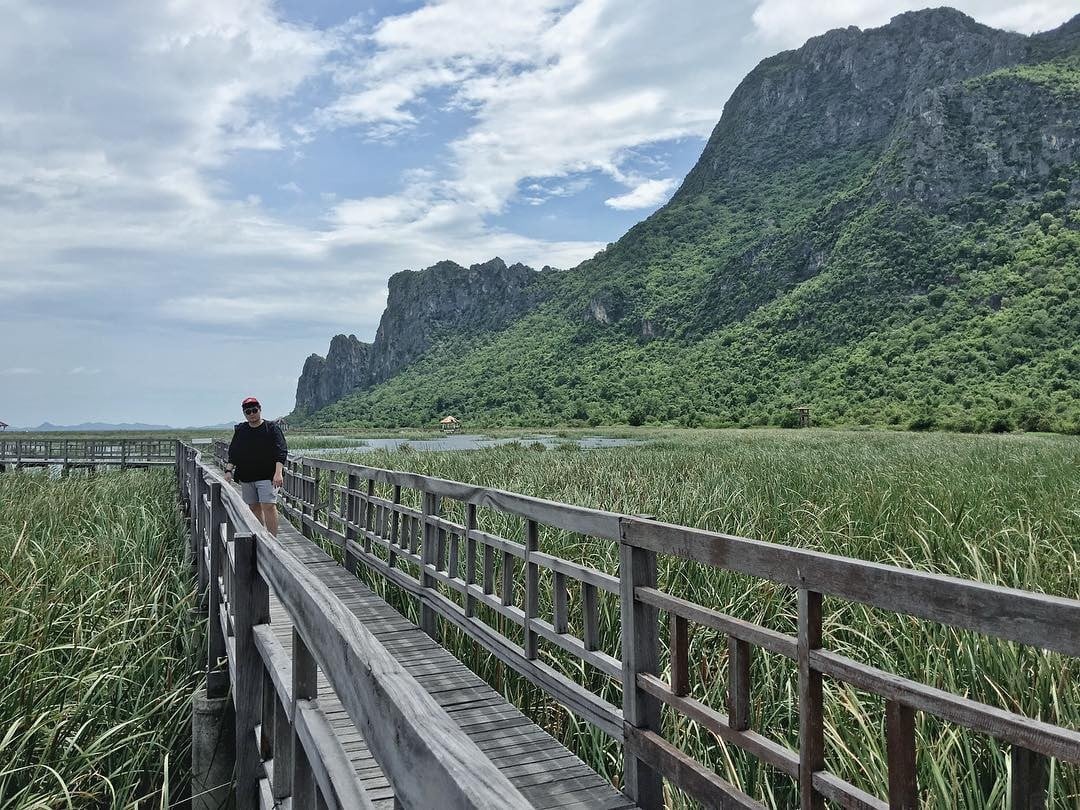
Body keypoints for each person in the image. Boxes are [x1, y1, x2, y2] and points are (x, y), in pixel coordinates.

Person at [224, 396, 287, 536]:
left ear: (260, 410)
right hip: (247, 476)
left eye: (254, 410)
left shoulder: (271, 428)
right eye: (248, 412)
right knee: (253, 507)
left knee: (268, 505)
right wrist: (228, 470)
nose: (252, 414)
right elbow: (234, 452)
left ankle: (272, 540)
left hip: (267, 475)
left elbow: (281, 451)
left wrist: (278, 473)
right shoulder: (241, 430)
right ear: (244, 413)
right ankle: (260, 537)